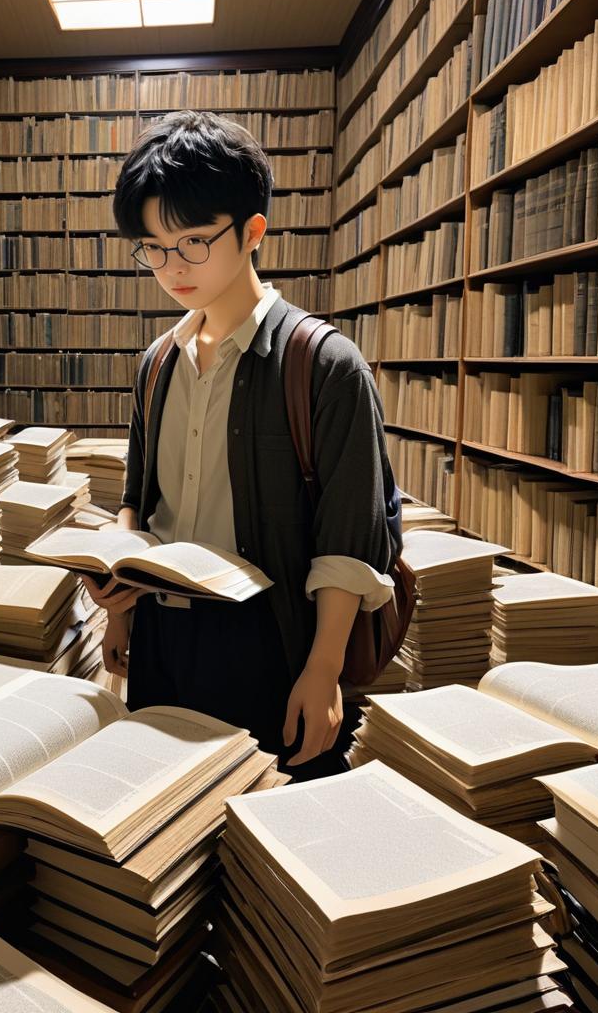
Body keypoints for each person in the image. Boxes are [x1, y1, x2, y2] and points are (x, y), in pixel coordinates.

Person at [84, 110, 398, 780]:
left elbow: (350, 538)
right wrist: (119, 606)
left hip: (272, 640)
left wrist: (324, 669)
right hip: (162, 639)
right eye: (153, 246)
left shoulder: (324, 364)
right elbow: (138, 499)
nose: (172, 267)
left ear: (253, 231)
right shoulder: (156, 363)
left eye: (194, 241)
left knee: (266, 828)